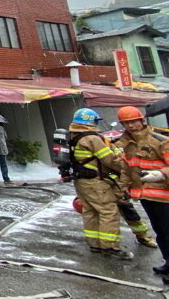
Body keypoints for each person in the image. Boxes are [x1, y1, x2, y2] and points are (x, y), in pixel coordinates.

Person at [69, 107, 132, 260]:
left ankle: (95, 244)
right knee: (108, 211)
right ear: (90, 121)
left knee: (90, 212)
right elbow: (109, 160)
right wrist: (125, 167)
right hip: (95, 182)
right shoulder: (92, 138)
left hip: (81, 182)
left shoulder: (73, 135)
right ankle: (110, 247)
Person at [114, 105, 169, 272]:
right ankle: (168, 263)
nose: (131, 126)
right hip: (145, 196)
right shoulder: (127, 144)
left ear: (141, 120)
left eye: (133, 121)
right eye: (126, 123)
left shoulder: (160, 141)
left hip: (164, 196)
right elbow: (126, 169)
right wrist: (123, 189)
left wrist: (161, 174)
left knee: (168, 232)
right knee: (160, 231)